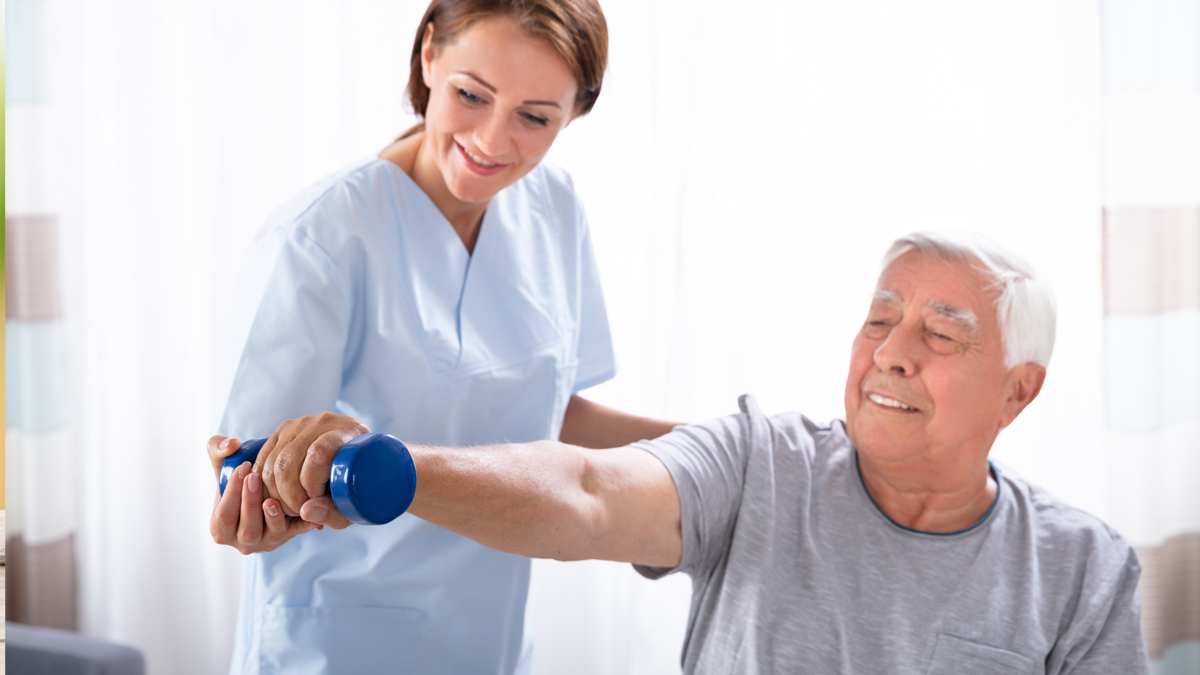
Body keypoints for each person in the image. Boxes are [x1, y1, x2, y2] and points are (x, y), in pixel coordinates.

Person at [243, 232, 1151, 673]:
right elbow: (590, 491)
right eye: (879, 318)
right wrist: (397, 470)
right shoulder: (760, 461)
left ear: (1018, 390)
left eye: (940, 335)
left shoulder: (1080, 568)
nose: (891, 352)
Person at [207, 1, 677, 673]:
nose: (491, 139)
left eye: (534, 116)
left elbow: (544, 413)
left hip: (489, 635)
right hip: (338, 643)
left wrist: (727, 451)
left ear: (576, 111)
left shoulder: (556, 210)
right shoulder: (319, 238)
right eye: (471, 95)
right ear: (429, 55)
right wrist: (255, 506)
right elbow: (251, 477)